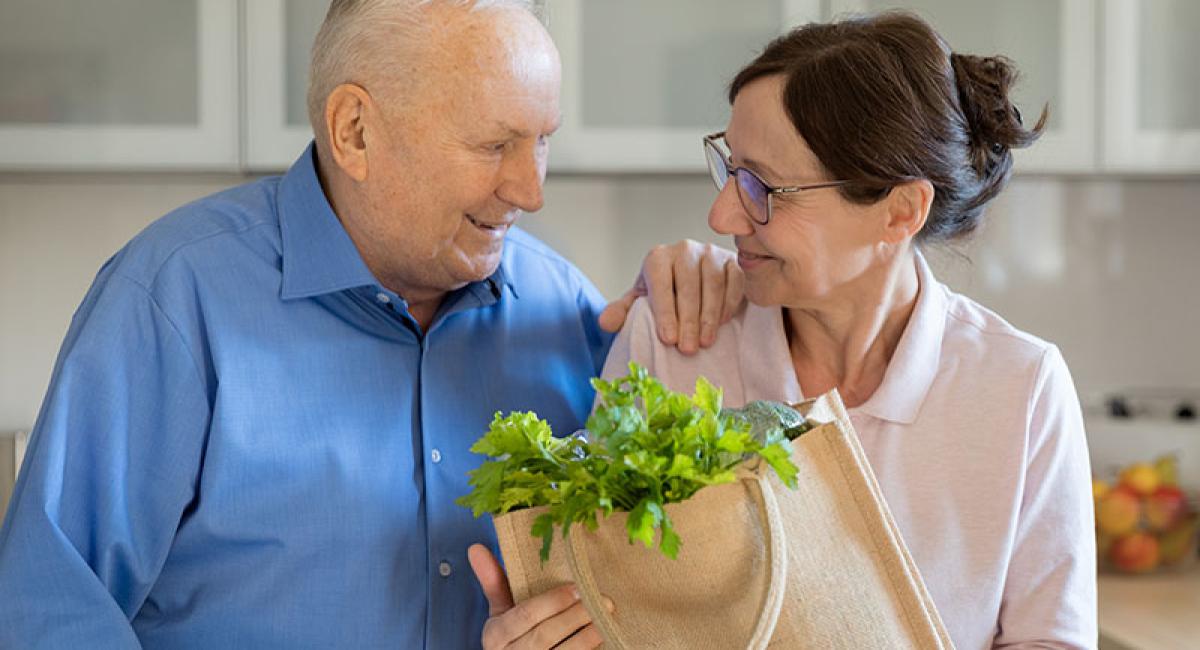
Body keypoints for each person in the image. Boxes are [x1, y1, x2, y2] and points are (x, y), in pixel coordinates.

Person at [0, 1, 742, 648]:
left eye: (541, 139)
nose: (530, 189)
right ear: (354, 130)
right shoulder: (172, 299)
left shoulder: (566, 311)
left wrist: (713, 306)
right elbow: (49, 610)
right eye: (494, 145)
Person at [602, 12, 1096, 649]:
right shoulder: (670, 342)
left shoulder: (1020, 388)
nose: (721, 211)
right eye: (729, 167)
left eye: (763, 187)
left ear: (900, 211)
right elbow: (608, 604)